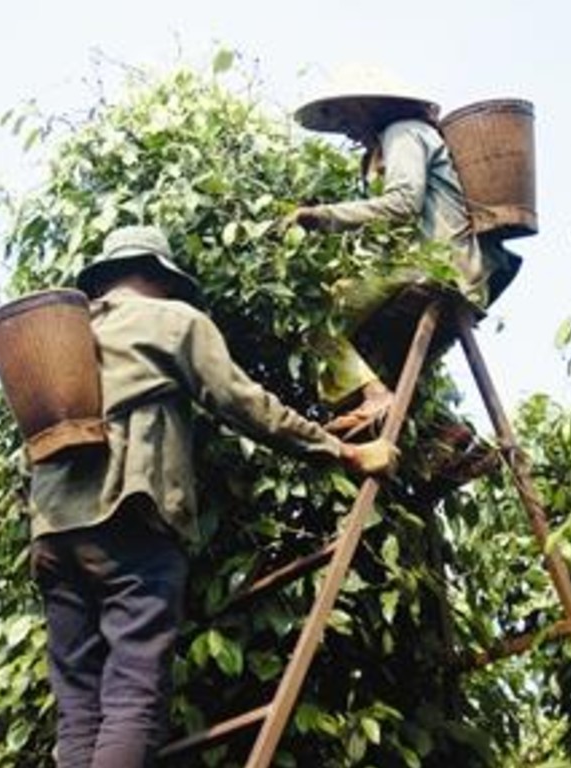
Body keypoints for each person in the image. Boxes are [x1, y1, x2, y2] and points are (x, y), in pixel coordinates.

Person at [26, 225, 399, 768]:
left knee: (79, 706)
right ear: (160, 275)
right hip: (131, 517)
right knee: (133, 693)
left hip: (53, 536)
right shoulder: (176, 321)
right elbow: (244, 404)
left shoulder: (63, 338)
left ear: (106, 277)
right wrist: (340, 451)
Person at [288, 70, 522, 441]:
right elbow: (387, 226)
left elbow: (401, 205)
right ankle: (440, 435)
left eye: (347, 114)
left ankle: (376, 396)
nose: (345, 126)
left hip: (434, 263)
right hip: (420, 262)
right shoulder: (379, 151)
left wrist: (324, 217)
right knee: (366, 347)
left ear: (371, 106)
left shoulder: (404, 133)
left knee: (314, 315)